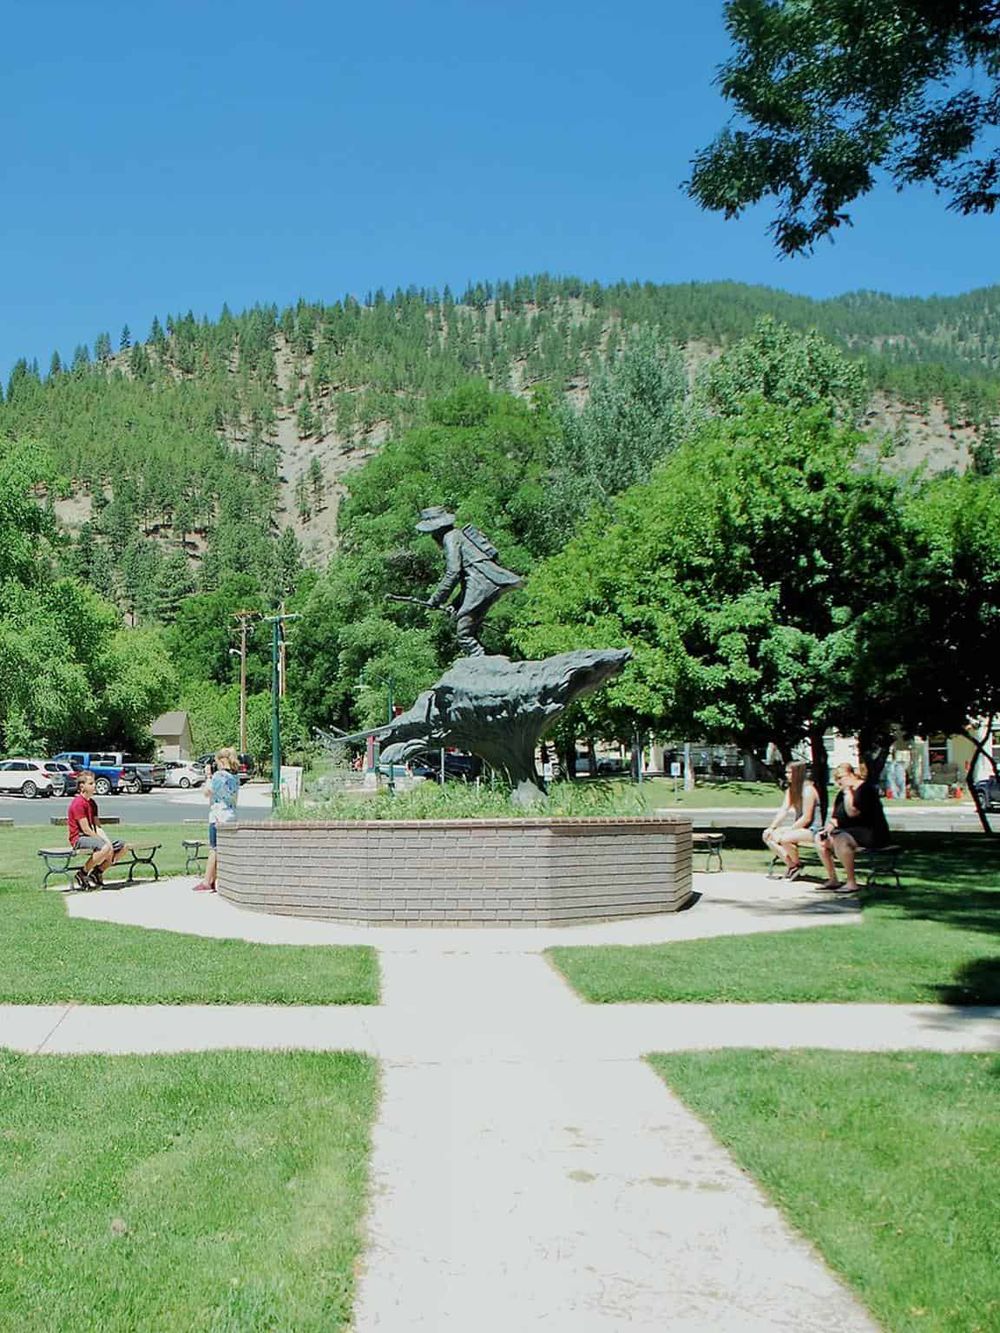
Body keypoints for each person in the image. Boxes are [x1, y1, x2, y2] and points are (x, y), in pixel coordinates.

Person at [416, 507, 522, 657]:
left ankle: (479, 663)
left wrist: (436, 598)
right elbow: (467, 578)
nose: (432, 536)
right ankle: (486, 660)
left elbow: (453, 572)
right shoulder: (457, 535)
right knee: (470, 628)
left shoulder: (450, 538)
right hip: (484, 582)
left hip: (483, 583)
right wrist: (455, 604)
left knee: (464, 632)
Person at [813, 761, 890, 893]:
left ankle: (851, 882)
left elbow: (852, 812)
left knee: (841, 839)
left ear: (852, 774)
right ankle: (833, 879)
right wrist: (827, 830)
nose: (839, 781)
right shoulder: (842, 794)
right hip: (851, 833)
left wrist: (848, 793)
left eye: (841, 777)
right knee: (820, 840)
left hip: (872, 832)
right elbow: (835, 818)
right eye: (836, 778)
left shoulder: (866, 790)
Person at [66, 769, 127, 890]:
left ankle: (97, 872)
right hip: (79, 838)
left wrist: (107, 841)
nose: (94, 785)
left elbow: (97, 826)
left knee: (123, 847)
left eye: (94, 783)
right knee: (105, 847)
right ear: (82, 786)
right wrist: (105, 845)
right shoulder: (78, 803)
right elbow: (86, 829)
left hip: (91, 836)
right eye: (91, 783)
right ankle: (82, 874)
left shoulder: (92, 803)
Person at [762, 761, 822, 880]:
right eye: (786, 772)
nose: (787, 775)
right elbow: (784, 809)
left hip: (813, 829)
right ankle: (793, 865)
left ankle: (795, 865)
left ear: (798, 773)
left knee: (784, 838)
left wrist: (790, 831)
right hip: (799, 829)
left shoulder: (808, 790)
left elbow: (807, 818)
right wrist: (772, 827)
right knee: (768, 836)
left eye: (789, 772)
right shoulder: (792, 790)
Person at [193, 747, 240, 893]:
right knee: (224, 849)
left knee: (214, 848)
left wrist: (208, 776)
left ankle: (207, 881)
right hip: (230, 814)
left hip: (218, 815)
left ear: (221, 761)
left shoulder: (219, 776)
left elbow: (207, 793)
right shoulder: (235, 777)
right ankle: (215, 879)